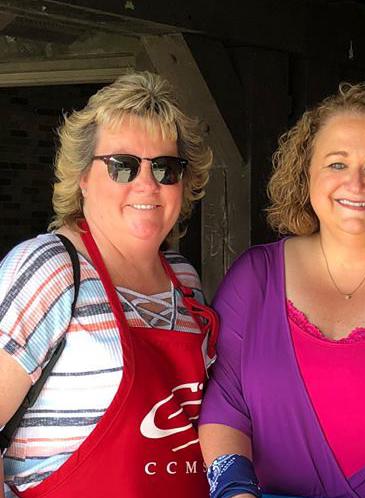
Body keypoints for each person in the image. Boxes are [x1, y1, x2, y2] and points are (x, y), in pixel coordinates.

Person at [198, 82, 365, 498]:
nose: (356, 184)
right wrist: (235, 493)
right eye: (337, 164)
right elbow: (224, 400)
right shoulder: (255, 276)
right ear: (305, 174)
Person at [0, 71, 217, 497]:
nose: (147, 183)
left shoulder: (185, 280)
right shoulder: (52, 270)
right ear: (82, 177)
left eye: (165, 167)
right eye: (122, 166)